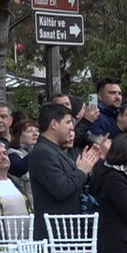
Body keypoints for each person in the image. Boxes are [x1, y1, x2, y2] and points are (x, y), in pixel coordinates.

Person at [28, 102, 102, 240]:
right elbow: (62, 189)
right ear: (54, 124)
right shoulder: (43, 152)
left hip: (70, 233)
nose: (72, 127)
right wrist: (81, 171)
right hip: (56, 236)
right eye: (68, 122)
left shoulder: (57, 151)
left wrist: (87, 170)